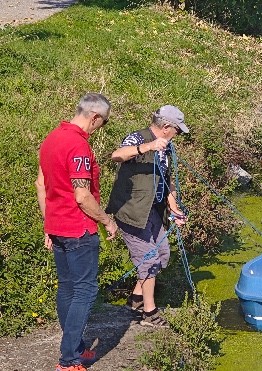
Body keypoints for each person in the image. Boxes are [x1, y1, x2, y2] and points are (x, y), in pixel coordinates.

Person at [35, 93, 118, 371]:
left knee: (67, 288)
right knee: (85, 291)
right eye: (102, 123)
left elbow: (40, 185)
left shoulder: (51, 139)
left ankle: (76, 347)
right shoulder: (78, 147)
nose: (99, 128)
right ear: (94, 117)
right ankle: (69, 359)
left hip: (57, 226)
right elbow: (82, 196)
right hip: (78, 229)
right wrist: (107, 221)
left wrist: (49, 224)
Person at [105, 105, 189, 328]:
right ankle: (149, 314)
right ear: (166, 127)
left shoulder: (167, 147)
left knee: (162, 254)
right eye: (177, 131)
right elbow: (117, 155)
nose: (177, 135)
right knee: (149, 261)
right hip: (132, 211)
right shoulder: (138, 137)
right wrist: (149, 146)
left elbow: (166, 180)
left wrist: (174, 208)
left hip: (153, 211)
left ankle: (136, 299)